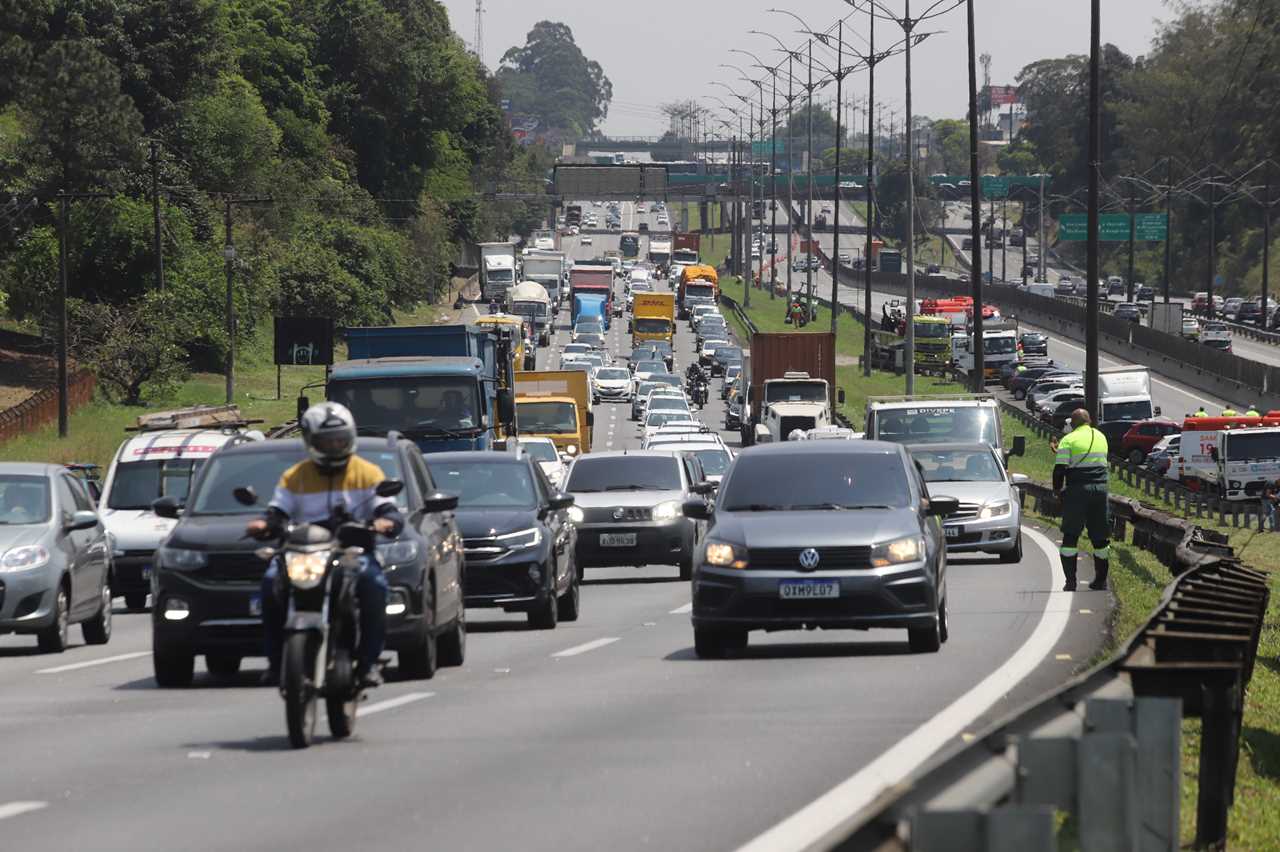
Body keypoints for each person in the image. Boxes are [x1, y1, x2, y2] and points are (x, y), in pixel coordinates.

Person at [247, 403, 403, 687]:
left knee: (375, 586)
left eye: (339, 440)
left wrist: (384, 522)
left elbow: (388, 510)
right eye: (326, 441)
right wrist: (264, 523)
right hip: (303, 554)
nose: (334, 446)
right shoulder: (295, 476)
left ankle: (368, 662)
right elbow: (277, 511)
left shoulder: (368, 472)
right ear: (310, 442)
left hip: (352, 553)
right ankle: (276, 661)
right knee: (271, 583)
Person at [1052, 409, 1111, 592]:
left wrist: (1057, 492)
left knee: (1070, 535)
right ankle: (1100, 581)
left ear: (1073, 424)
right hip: (1100, 490)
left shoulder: (1068, 440)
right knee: (1100, 538)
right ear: (1090, 420)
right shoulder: (1101, 437)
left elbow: (1060, 470)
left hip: (1077, 491)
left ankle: (1071, 582)